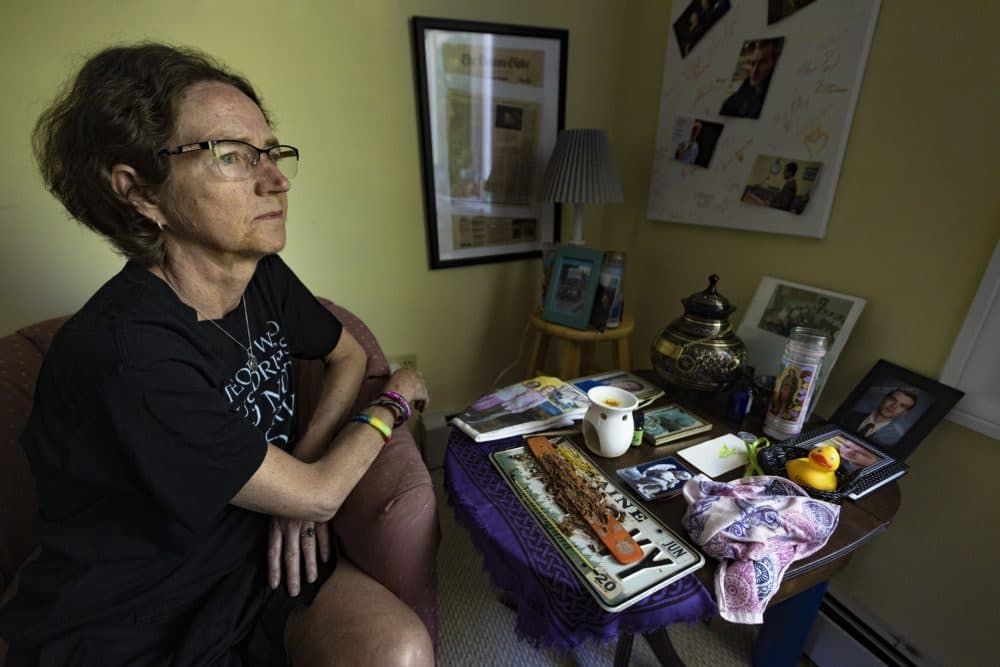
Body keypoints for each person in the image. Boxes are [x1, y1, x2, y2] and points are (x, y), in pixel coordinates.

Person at [0, 43, 433, 666]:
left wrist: (297, 472)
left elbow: (343, 357)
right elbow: (319, 494)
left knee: (399, 651)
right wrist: (396, 396)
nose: (276, 179)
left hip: (254, 565)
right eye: (231, 156)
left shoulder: (261, 274)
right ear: (140, 193)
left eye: (272, 152)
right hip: (129, 615)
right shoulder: (124, 355)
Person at [720, 39, 781, 118]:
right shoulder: (740, 94)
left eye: (762, 62)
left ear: (774, 63)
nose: (755, 71)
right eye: (753, 63)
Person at [842, 388, 919, 447]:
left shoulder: (895, 439)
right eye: (893, 399)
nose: (894, 406)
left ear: (904, 413)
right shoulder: (849, 414)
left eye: (902, 406)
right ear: (884, 398)